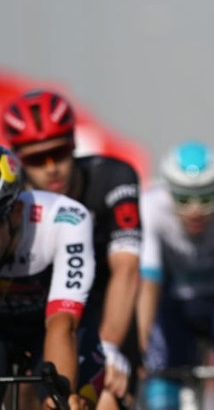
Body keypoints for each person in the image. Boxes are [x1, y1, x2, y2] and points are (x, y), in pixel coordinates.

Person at [2, 89, 143, 409]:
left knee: (106, 394)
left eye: (60, 152)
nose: (51, 168)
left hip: (104, 305)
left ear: (74, 145)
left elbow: (126, 269)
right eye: (37, 159)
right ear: (20, 161)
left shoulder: (113, 178)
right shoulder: (10, 197)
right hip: (36, 305)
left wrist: (109, 345)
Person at [138, 140, 214, 410]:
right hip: (173, 302)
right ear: (168, 191)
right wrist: (139, 348)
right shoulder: (149, 205)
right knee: (160, 384)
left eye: (205, 199)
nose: (194, 210)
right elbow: (148, 285)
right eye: (183, 199)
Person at [0, 145, 95, 410]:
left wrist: (59, 398)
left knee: (80, 401)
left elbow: (62, 321)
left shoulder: (65, 219)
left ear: (15, 213)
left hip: (51, 326)